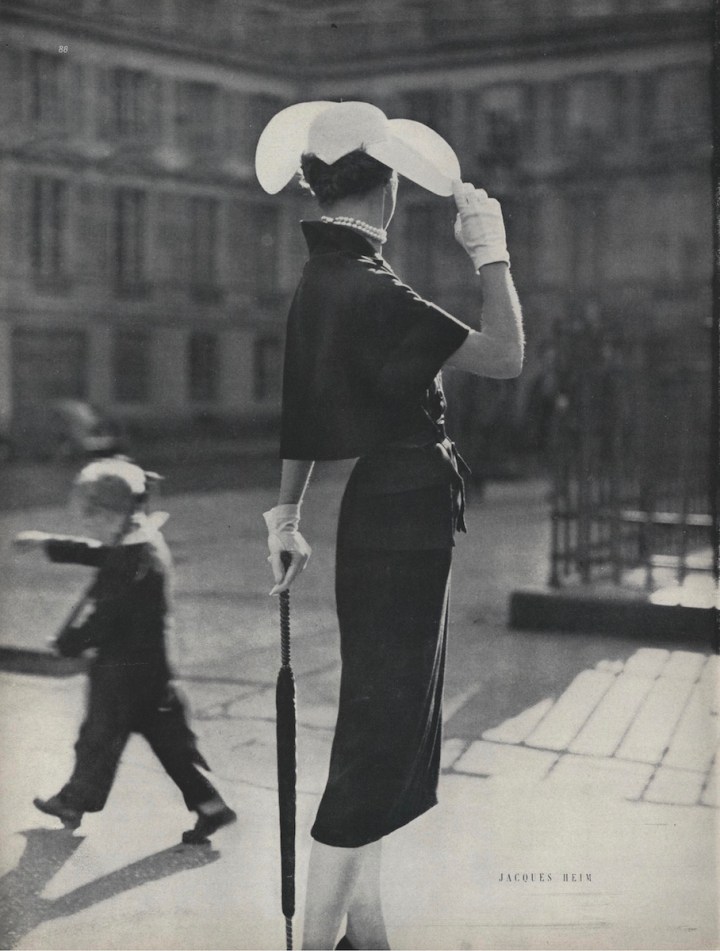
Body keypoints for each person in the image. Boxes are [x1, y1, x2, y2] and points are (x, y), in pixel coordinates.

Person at [256, 101, 524, 949]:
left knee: (381, 717)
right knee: (385, 729)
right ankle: (320, 940)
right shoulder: (370, 283)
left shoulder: (320, 277)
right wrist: (493, 251)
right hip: (406, 511)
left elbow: (300, 410)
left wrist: (286, 513)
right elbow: (506, 355)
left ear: (314, 183)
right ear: (393, 189)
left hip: (380, 508)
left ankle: (363, 933)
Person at [13, 456, 236, 845]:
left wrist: (69, 643)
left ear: (111, 515)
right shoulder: (140, 542)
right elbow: (100, 554)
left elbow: (104, 616)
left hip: (121, 672)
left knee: (98, 738)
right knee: (169, 747)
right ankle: (210, 805)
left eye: (92, 517)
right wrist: (47, 543)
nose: (89, 525)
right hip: (152, 672)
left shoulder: (132, 562)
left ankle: (74, 801)